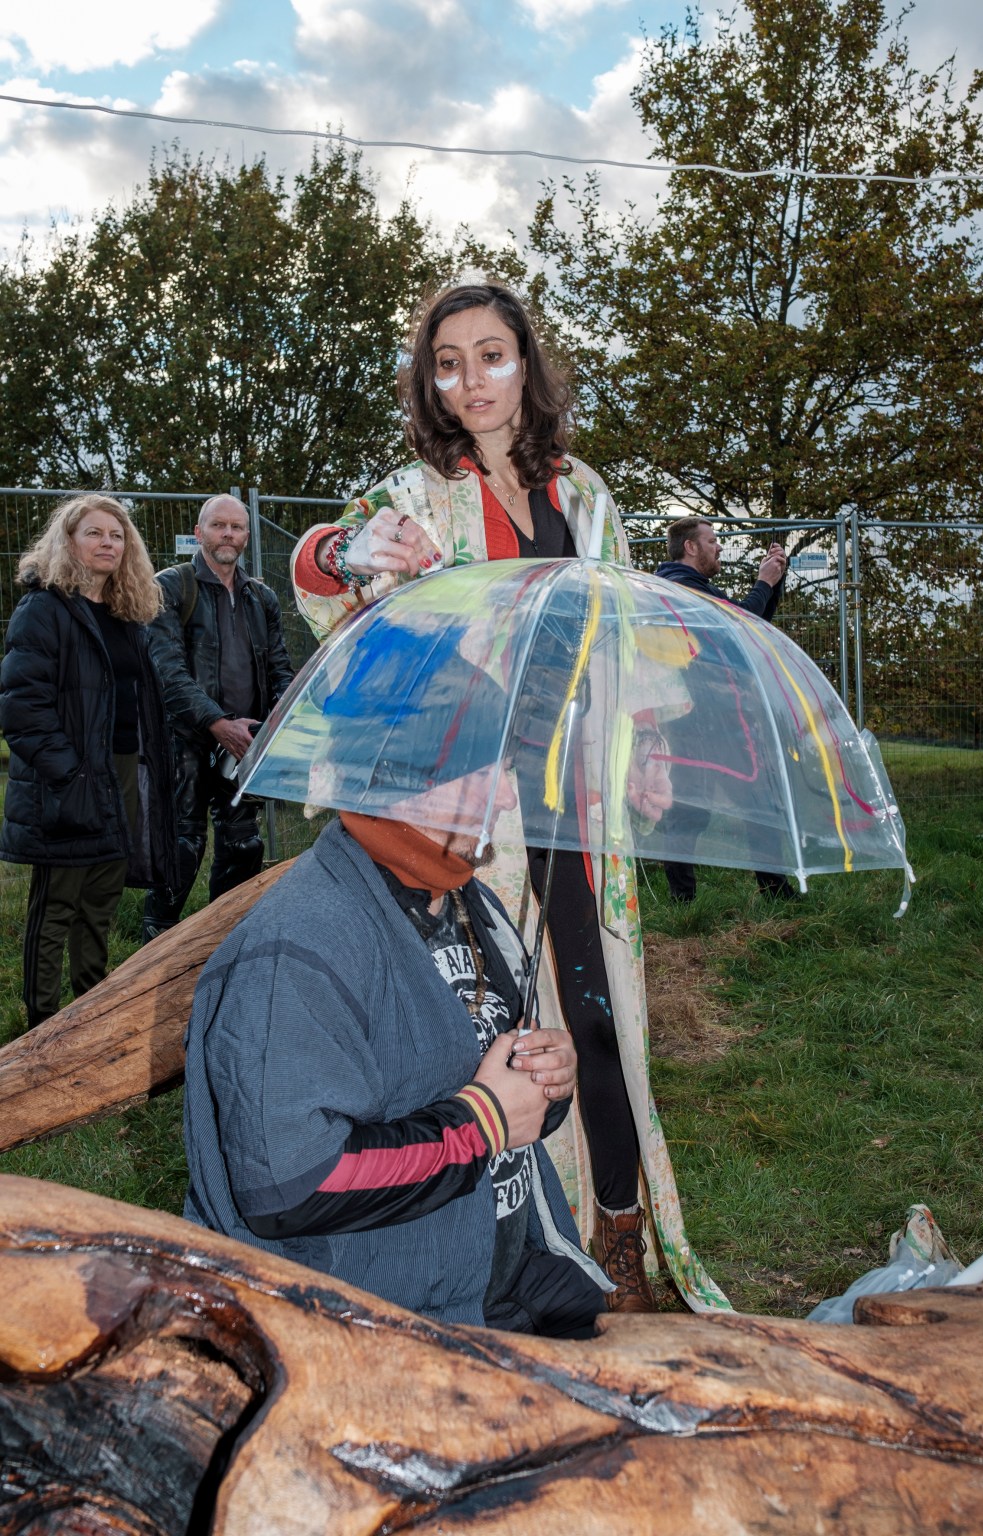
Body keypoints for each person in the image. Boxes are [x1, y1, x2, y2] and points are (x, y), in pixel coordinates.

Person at [289, 282, 728, 1314]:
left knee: (597, 1013)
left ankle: (616, 1227)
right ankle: (511, 1235)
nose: (470, 380)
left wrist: (649, 744)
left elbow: (628, 631)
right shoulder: (414, 489)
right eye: (447, 362)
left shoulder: (585, 494)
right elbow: (319, 568)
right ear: (430, 381)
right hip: (468, 802)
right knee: (487, 1012)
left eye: (490, 355)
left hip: (578, 791)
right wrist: (354, 553)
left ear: (526, 364)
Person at [183, 654, 612, 1335]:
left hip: (504, 1288)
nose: (505, 797)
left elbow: (494, 1081)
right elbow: (289, 1186)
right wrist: (480, 1125)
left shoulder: (466, 899)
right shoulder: (297, 950)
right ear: (405, 777)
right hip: (368, 1327)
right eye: (485, 772)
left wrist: (543, 1082)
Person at [0, 494, 177, 1028]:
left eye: (117, 535)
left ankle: (88, 1015)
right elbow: (21, 705)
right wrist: (68, 772)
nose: (108, 543)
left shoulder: (127, 615)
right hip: (69, 776)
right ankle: (41, 1027)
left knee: (100, 899)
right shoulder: (44, 609)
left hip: (121, 770)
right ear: (68, 542)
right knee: (57, 906)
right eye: (95, 533)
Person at [142, 494, 294, 940]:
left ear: (247, 535)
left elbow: (280, 667)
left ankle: (222, 942)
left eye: (237, 527)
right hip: (185, 739)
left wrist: (275, 724)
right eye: (218, 526)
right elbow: (165, 671)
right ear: (199, 533)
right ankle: (154, 948)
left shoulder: (260, 596)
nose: (228, 534)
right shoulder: (170, 587)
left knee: (243, 845)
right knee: (182, 846)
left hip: (246, 740)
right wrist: (215, 723)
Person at [655, 516, 795, 902]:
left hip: (719, 720)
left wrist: (775, 582)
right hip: (698, 724)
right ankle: (683, 901)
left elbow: (750, 627)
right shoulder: (679, 588)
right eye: (712, 540)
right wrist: (763, 582)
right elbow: (738, 622)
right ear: (691, 547)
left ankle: (776, 892)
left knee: (760, 806)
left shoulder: (697, 588)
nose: (718, 547)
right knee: (690, 813)